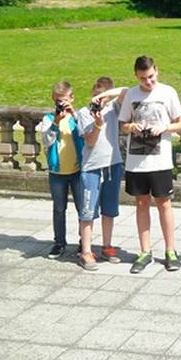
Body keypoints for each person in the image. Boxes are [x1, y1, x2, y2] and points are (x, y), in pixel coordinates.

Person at [118, 56, 181, 274]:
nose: (148, 82)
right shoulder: (131, 94)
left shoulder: (168, 92)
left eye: (151, 77)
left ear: (157, 71)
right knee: (141, 203)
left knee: (164, 203)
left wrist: (164, 128)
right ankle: (145, 251)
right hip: (136, 161)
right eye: (143, 79)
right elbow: (123, 124)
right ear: (136, 76)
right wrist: (132, 127)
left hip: (160, 160)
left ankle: (170, 251)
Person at [75, 77, 127, 270]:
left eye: (102, 96)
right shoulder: (83, 113)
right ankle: (86, 251)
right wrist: (97, 124)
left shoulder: (113, 108)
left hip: (113, 164)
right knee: (87, 211)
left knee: (109, 209)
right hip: (92, 167)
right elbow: (89, 142)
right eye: (96, 95)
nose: (99, 100)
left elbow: (127, 91)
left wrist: (107, 96)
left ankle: (107, 245)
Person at [40, 81, 84, 259]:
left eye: (64, 100)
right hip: (57, 172)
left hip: (78, 171)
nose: (61, 104)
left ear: (71, 98)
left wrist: (74, 115)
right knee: (59, 209)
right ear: (53, 99)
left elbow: (87, 133)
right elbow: (46, 141)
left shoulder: (77, 117)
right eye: (58, 101)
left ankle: (84, 241)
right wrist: (56, 124)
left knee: (82, 209)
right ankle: (59, 242)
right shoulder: (48, 119)